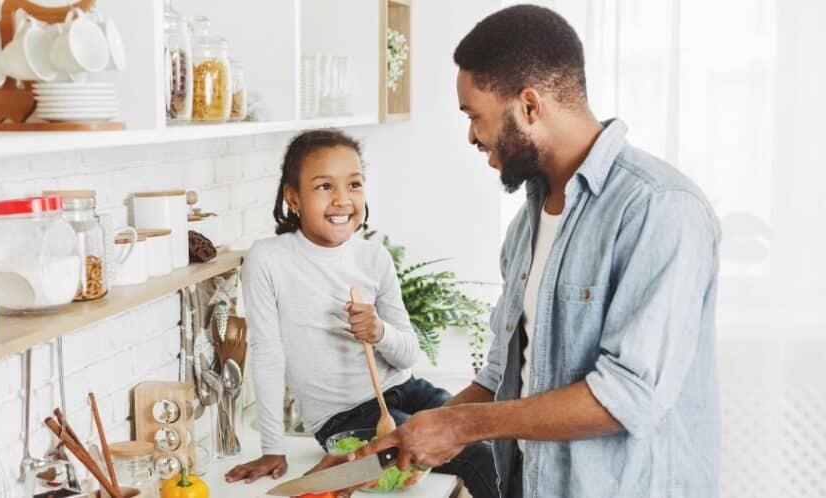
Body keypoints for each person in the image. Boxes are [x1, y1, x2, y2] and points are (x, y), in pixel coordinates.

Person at [312, 5, 721, 497]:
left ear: (529, 106)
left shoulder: (659, 210)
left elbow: (626, 398)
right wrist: (399, 444)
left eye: (474, 117)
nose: (471, 136)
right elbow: (502, 375)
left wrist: (461, 427)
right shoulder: (527, 223)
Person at [224, 129, 496, 497]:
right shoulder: (269, 259)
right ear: (293, 197)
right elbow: (268, 355)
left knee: (492, 443)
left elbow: (408, 354)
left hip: (406, 390)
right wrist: (273, 447)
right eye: (324, 187)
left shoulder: (373, 258)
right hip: (344, 418)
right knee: (477, 458)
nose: (342, 200)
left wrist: (379, 332)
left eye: (354, 184)